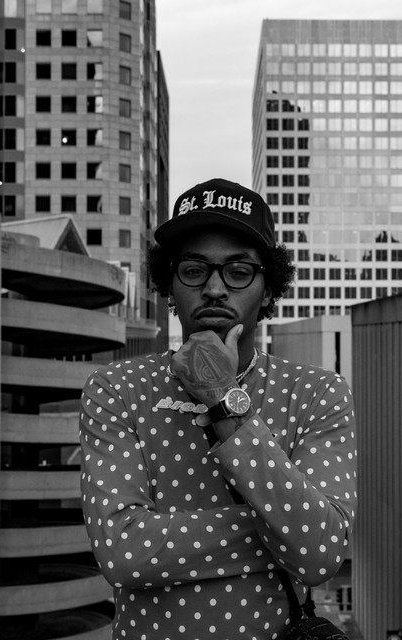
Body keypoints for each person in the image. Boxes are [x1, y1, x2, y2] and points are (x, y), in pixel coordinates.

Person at [79, 178, 357, 640]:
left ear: (268, 290)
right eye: (193, 270)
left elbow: (321, 556)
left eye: (238, 271)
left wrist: (224, 399)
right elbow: (123, 554)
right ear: (169, 287)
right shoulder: (116, 388)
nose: (213, 288)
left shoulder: (317, 392)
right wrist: (283, 530)